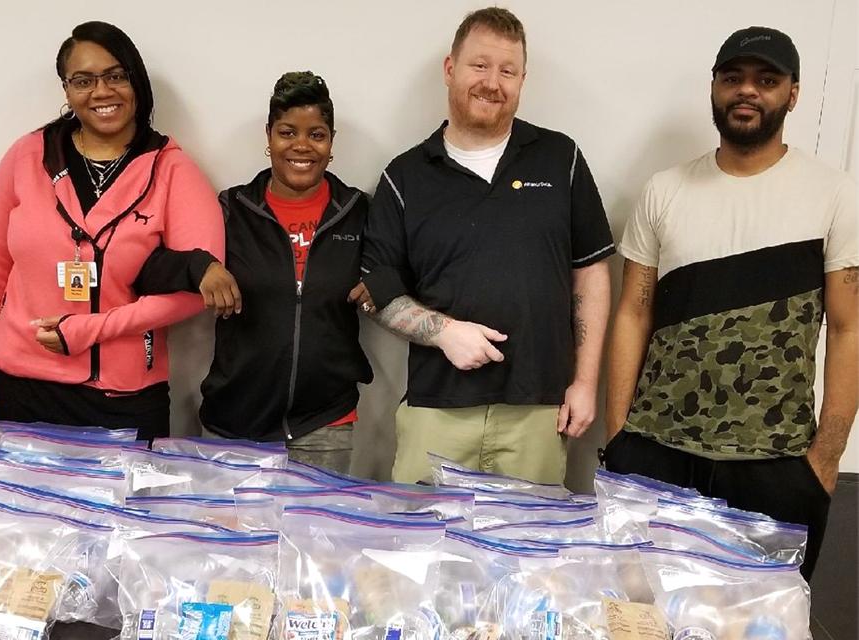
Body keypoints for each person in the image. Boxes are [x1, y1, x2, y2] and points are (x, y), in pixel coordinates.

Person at [604, 26, 857, 580]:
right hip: (655, 454)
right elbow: (632, 312)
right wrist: (619, 436)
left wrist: (825, 459)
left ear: (793, 93)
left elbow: (848, 329)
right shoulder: (663, 190)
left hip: (777, 464)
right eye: (733, 78)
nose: (748, 91)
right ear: (714, 87)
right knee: (640, 614)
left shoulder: (835, 193)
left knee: (763, 619)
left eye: (767, 80)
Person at [358, 7, 614, 484]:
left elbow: (592, 273)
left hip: (539, 411)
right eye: (479, 65)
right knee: (423, 552)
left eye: (507, 70)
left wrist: (585, 383)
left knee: (530, 554)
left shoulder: (562, 160)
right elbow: (380, 291)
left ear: (522, 79)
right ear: (450, 68)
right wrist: (443, 332)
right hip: (437, 410)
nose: (492, 82)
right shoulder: (405, 176)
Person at [0, 21, 224, 442]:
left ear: (135, 80)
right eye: (83, 80)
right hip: (22, 387)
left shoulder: (174, 170)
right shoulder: (27, 156)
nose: (102, 92)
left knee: (122, 511)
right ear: (66, 90)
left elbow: (198, 291)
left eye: (116, 76)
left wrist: (90, 330)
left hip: (125, 396)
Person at [133, 71, 373, 473]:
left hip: (324, 427)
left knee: (313, 536)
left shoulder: (358, 212)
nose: (301, 146)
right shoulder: (231, 209)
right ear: (268, 136)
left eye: (316, 135)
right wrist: (201, 267)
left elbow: (405, 262)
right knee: (232, 535)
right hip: (234, 425)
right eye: (287, 132)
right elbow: (148, 267)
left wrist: (384, 280)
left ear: (332, 142)